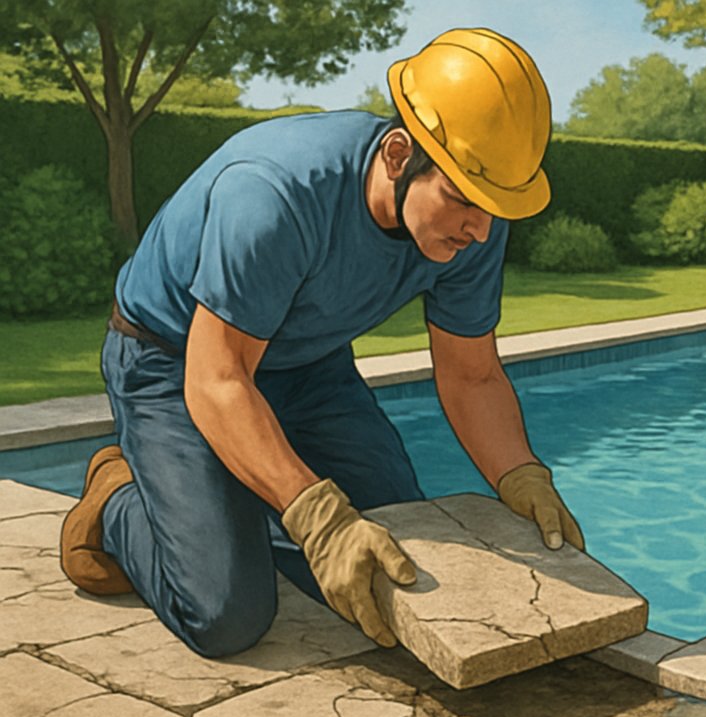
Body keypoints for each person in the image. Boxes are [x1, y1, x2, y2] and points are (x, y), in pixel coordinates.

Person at [59, 28, 583, 657]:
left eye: (497, 206)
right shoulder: (275, 194)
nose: (480, 227)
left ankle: (227, 504)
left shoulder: (474, 227)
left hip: (307, 365)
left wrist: (521, 476)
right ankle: (118, 495)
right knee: (228, 613)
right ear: (397, 154)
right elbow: (217, 378)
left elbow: (471, 374)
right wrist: (316, 515)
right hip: (174, 361)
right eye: (462, 199)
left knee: (399, 562)